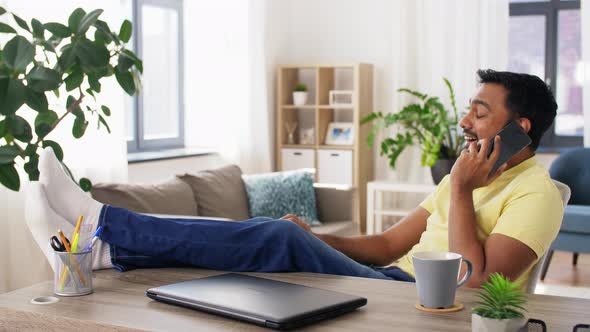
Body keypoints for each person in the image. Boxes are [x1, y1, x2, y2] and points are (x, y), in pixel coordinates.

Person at [28, 69, 564, 288]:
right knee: (282, 233)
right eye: (468, 111)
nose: (464, 122)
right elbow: (385, 244)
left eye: (478, 112)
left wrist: (466, 192)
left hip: (424, 302)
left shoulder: (536, 195)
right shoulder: (464, 177)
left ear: (520, 129)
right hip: (391, 282)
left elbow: (474, 285)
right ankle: (102, 249)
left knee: (274, 237)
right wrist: (319, 239)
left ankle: (100, 225)